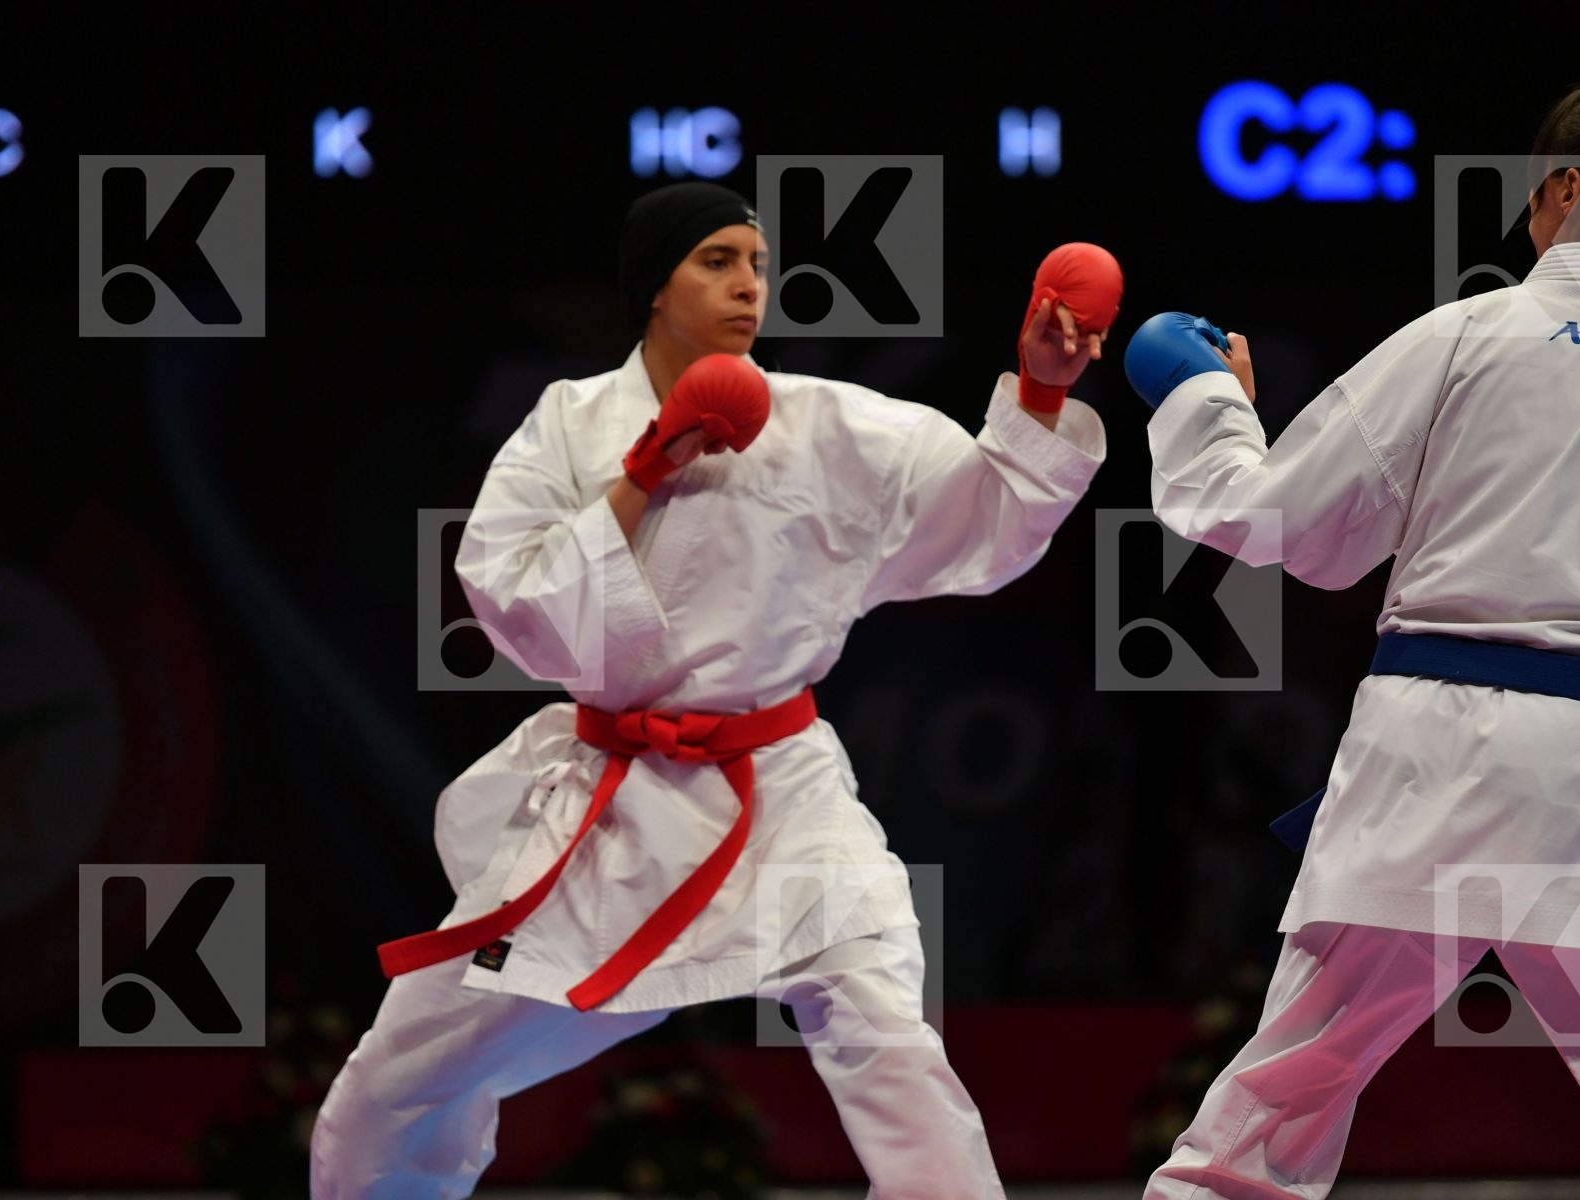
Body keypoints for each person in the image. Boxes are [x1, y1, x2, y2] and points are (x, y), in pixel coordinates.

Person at [310, 179, 1120, 1198]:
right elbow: (507, 600)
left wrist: (1041, 393)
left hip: (781, 788)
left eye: (759, 263)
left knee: (882, 1022)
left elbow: (983, 524)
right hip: (610, 803)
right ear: (655, 285)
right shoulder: (571, 425)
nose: (750, 285)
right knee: (404, 1075)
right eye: (718, 261)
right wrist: (643, 473)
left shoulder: (828, 426)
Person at [1124, 78, 1580, 1198]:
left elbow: (1277, 525)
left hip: (1414, 770)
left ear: (1564, 188)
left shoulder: (1465, 331)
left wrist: (1205, 400)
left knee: (1255, 1136)